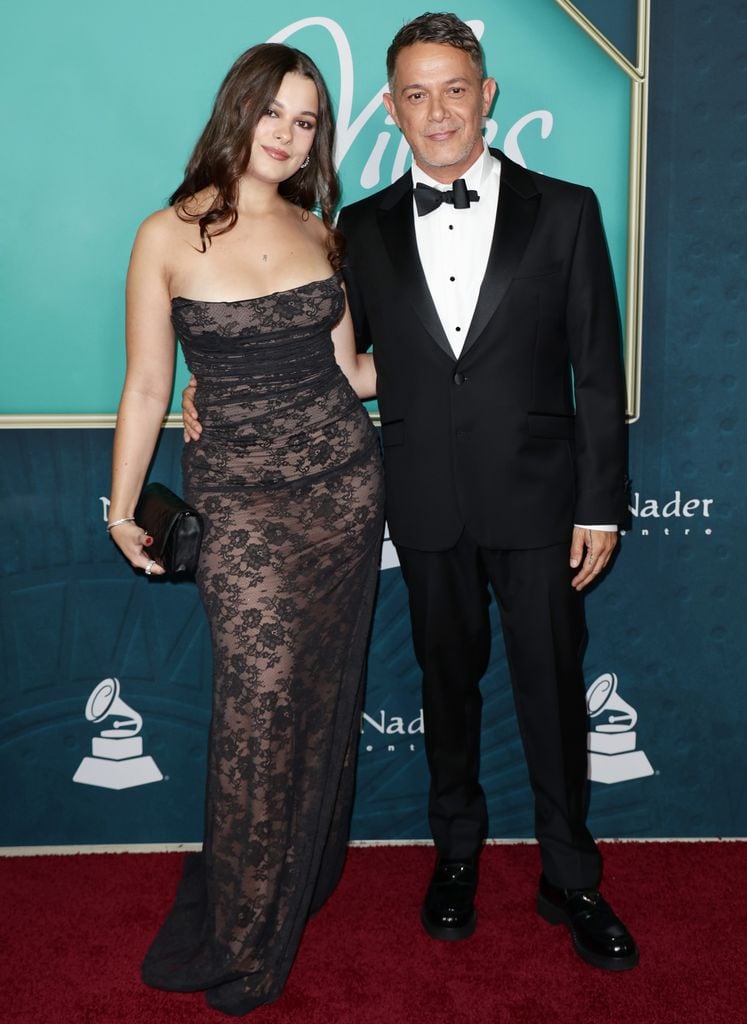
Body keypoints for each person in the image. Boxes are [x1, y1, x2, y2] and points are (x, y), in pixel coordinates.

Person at [184, 13, 638, 972]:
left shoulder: (567, 210)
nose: (438, 110)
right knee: (445, 692)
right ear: (392, 108)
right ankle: (457, 856)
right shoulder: (359, 228)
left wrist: (601, 503)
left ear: (486, 95)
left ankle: (571, 875)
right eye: (416, 94)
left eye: (455, 88)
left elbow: (597, 373)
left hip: (541, 504)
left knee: (553, 693)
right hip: (422, 501)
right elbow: (340, 364)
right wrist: (216, 386)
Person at [108, 42, 384, 1015]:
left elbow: (353, 375)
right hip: (239, 504)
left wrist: (461, 346)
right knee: (257, 707)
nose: (287, 133)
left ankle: (292, 881)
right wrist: (119, 503)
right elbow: (148, 384)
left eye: (307, 120)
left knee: (318, 704)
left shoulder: (322, 231)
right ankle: (242, 923)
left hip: (345, 491)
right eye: (274, 111)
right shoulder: (166, 235)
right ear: (238, 111)